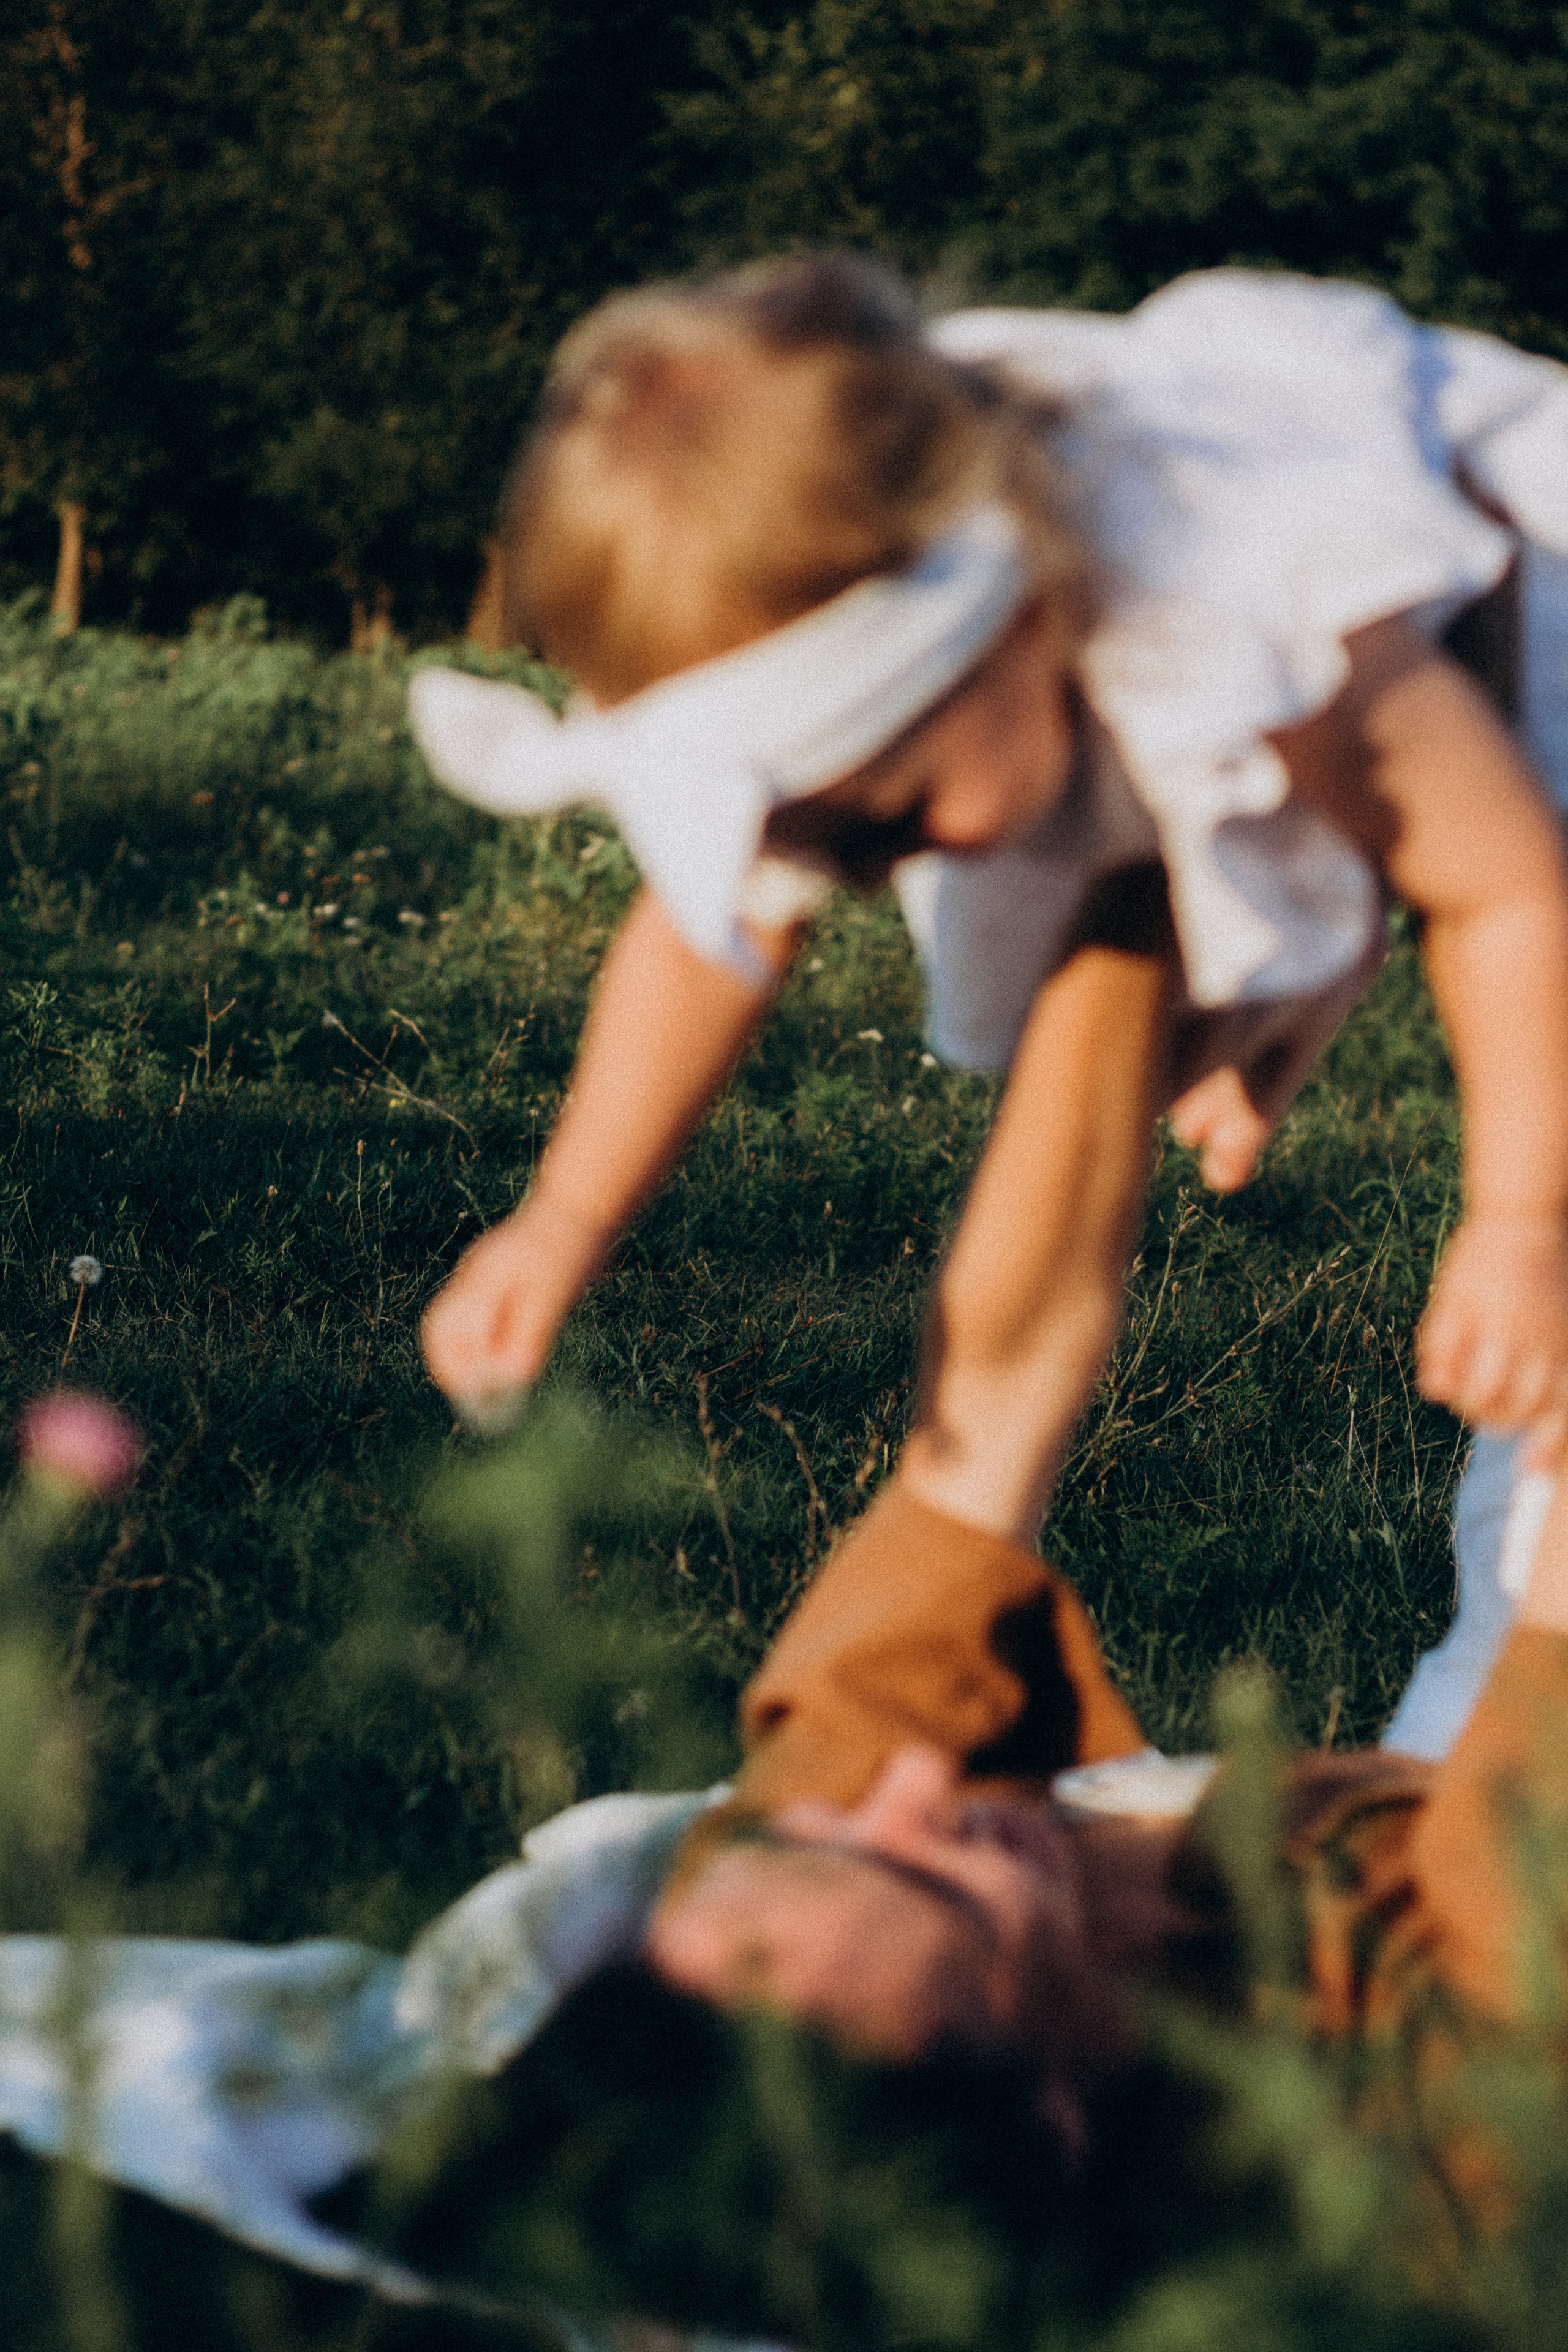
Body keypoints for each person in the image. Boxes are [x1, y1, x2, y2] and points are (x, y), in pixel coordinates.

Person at [409, 254, 1568, 1712]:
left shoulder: (1238, 603)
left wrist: (1521, 1222)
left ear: (1010, 628)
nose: (847, 868)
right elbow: (712, 939)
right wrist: (562, 1216)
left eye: (880, 823)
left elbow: (1507, 888)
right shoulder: (880, 550)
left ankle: (1503, 1736)